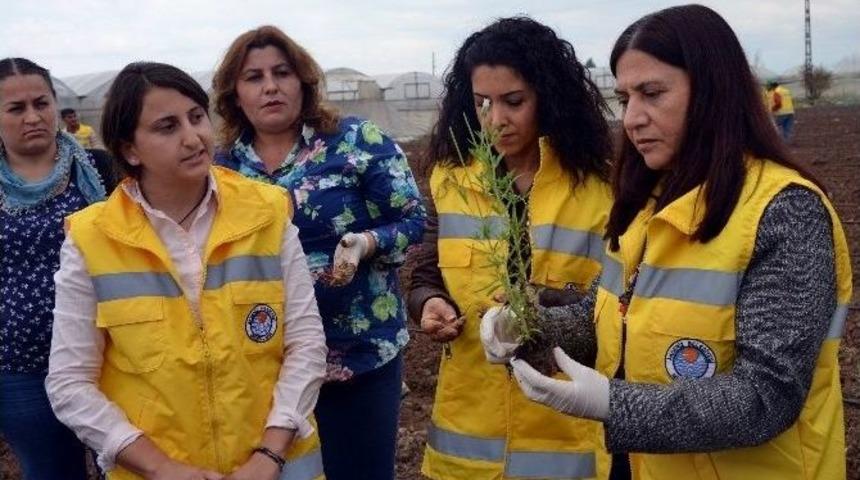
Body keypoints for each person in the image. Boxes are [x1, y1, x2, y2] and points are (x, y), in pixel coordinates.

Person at [502, 5, 852, 480]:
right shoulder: (645, 201)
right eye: (625, 98)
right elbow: (609, 317)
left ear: (713, 91)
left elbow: (767, 395)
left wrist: (614, 404)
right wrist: (529, 327)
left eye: (652, 93)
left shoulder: (784, 212)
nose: (632, 119)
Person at [45, 61, 328, 480]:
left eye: (197, 117)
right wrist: (160, 467)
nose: (193, 137)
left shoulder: (266, 212)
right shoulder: (92, 239)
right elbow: (70, 383)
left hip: (277, 467)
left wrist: (269, 455)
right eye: (167, 126)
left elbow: (305, 345)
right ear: (129, 149)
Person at [212, 26, 426, 480]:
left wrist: (366, 243)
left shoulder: (355, 141)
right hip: (264, 365)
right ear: (235, 93)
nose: (270, 86)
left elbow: (411, 219)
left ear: (302, 82)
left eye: (281, 72)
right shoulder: (223, 167)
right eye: (253, 77)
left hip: (356, 355)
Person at [406, 17, 615, 479]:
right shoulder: (451, 176)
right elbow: (427, 262)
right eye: (482, 103)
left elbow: (619, 300)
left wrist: (542, 312)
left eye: (514, 102)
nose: (496, 119)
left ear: (549, 96)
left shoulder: (600, 186)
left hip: (563, 427)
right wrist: (428, 302)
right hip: (468, 437)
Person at [0, 57, 111, 480]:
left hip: (108, 355)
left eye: (41, 103)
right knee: (51, 470)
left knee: (121, 464)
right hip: (21, 367)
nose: (33, 117)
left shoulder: (101, 169)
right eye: (15, 109)